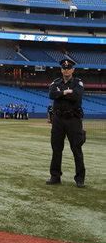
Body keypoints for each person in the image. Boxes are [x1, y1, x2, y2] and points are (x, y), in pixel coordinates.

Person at [46, 59, 86, 188]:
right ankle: (55, 176)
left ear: (73, 70)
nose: (66, 70)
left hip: (73, 119)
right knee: (56, 149)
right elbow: (51, 94)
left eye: (69, 68)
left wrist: (60, 94)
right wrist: (65, 92)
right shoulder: (56, 82)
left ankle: (80, 178)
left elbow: (77, 96)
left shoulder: (78, 82)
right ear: (61, 70)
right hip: (58, 119)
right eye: (64, 68)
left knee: (76, 149)